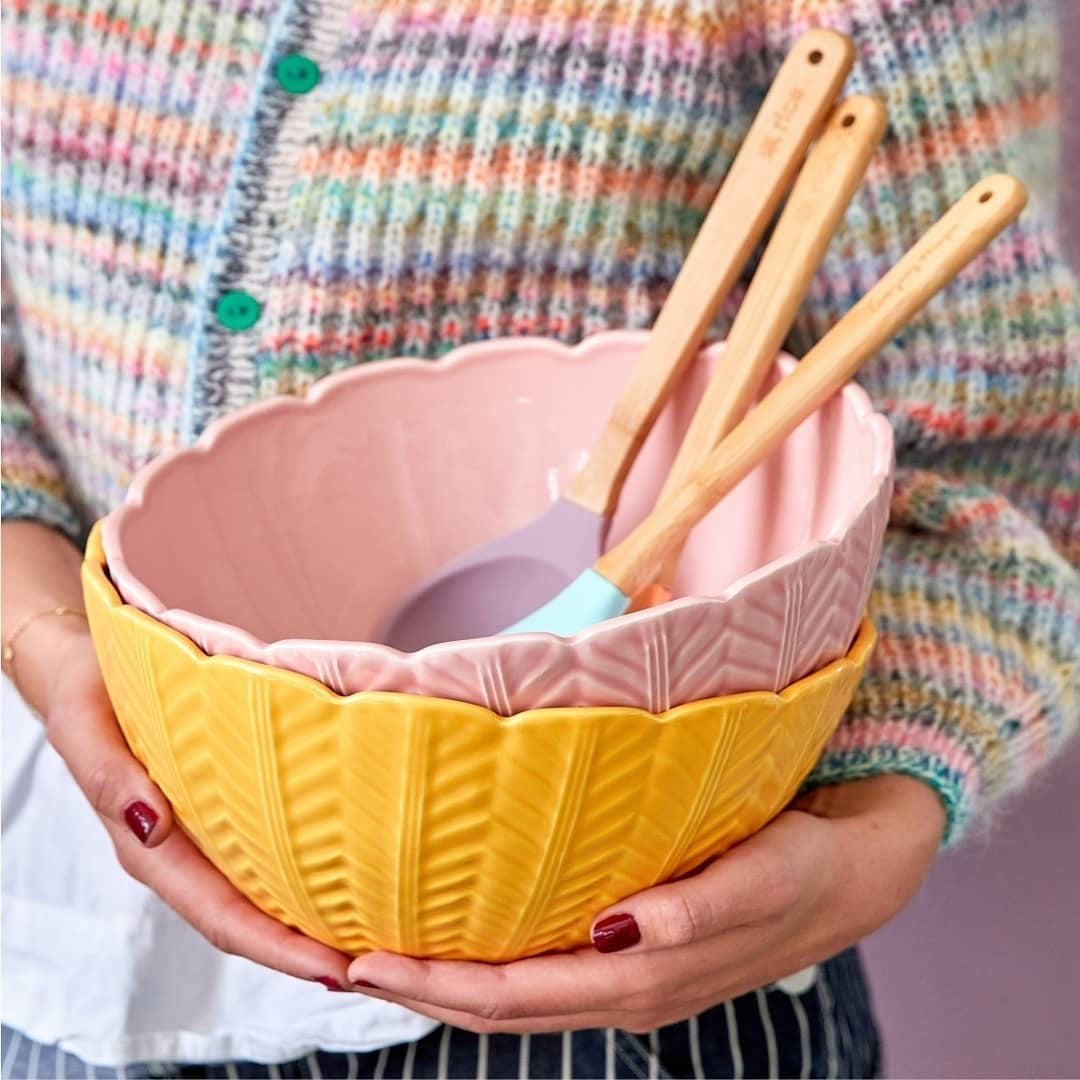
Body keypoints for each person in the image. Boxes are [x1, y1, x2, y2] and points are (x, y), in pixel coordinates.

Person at [2, 0, 1077, 1076]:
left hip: (633, 961)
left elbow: (1004, 469)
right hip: (80, 948)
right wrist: (53, 645)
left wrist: (867, 832)